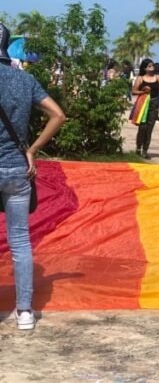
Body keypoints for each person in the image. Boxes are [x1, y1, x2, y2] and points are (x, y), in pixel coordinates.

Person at [0, 22, 66, 330]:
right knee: (20, 240)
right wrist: (34, 149)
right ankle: (25, 311)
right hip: (16, 168)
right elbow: (58, 115)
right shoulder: (25, 80)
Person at [131, 58, 159, 158]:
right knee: (142, 128)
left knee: (150, 129)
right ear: (145, 68)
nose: (152, 67)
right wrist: (143, 91)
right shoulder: (140, 78)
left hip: (154, 104)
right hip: (143, 104)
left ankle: (145, 150)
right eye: (149, 66)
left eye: (152, 65)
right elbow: (134, 91)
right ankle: (138, 148)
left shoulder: (158, 77)